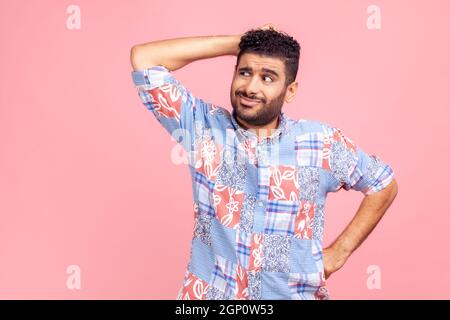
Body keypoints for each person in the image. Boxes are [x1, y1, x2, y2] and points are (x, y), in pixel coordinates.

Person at [129, 24, 398, 300]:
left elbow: (382, 184)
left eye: (267, 78)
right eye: (244, 72)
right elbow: (144, 59)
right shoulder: (202, 127)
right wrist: (240, 43)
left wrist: (338, 253)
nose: (250, 87)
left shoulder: (321, 143)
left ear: (290, 91)